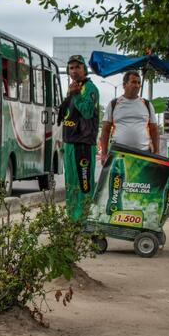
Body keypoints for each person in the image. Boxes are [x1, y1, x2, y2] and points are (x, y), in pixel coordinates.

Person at [57, 54, 100, 221]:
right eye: (71, 67)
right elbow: (63, 115)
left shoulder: (89, 88)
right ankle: (72, 220)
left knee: (83, 186)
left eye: (78, 67)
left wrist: (75, 95)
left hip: (83, 145)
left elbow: (88, 113)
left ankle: (84, 221)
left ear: (84, 69)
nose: (74, 71)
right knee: (71, 185)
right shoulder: (72, 88)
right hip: (69, 144)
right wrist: (69, 95)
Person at [99, 70, 159, 164]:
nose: (137, 85)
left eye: (139, 83)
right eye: (133, 82)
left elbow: (154, 129)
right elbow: (105, 130)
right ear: (124, 85)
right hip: (118, 154)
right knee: (119, 179)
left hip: (143, 154)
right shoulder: (114, 104)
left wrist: (156, 151)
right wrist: (104, 153)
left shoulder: (147, 104)